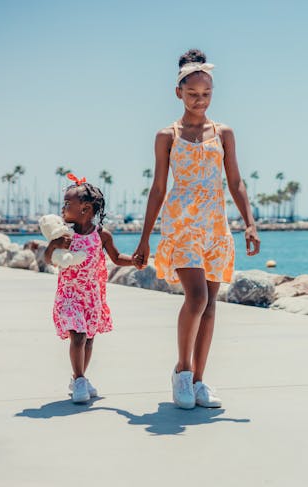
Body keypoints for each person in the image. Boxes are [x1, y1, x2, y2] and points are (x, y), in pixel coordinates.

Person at [133, 49, 260, 409]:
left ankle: (200, 382)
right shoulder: (166, 135)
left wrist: (249, 224)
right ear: (178, 93)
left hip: (215, 225)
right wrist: (144, 238)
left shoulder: (224, 133)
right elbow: (158, 188)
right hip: (181, 224)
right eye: (192, 95)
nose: (199, 101)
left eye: (206, 95)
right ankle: (182, 372)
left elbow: (235, 181)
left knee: (210, 305)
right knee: (197, 297)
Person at [45, 173, 135, 403]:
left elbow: (116, 258)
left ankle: (78, 378)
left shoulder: (101, 235)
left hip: (92, 296)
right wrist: (55, 245)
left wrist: (134, 261)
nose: (63, 207)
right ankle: (80, 379)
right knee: (78, 336)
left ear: (85, 208)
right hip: (70, 295)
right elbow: (49, 259)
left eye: (68, 203)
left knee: (89, 339)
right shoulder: (65, 234)